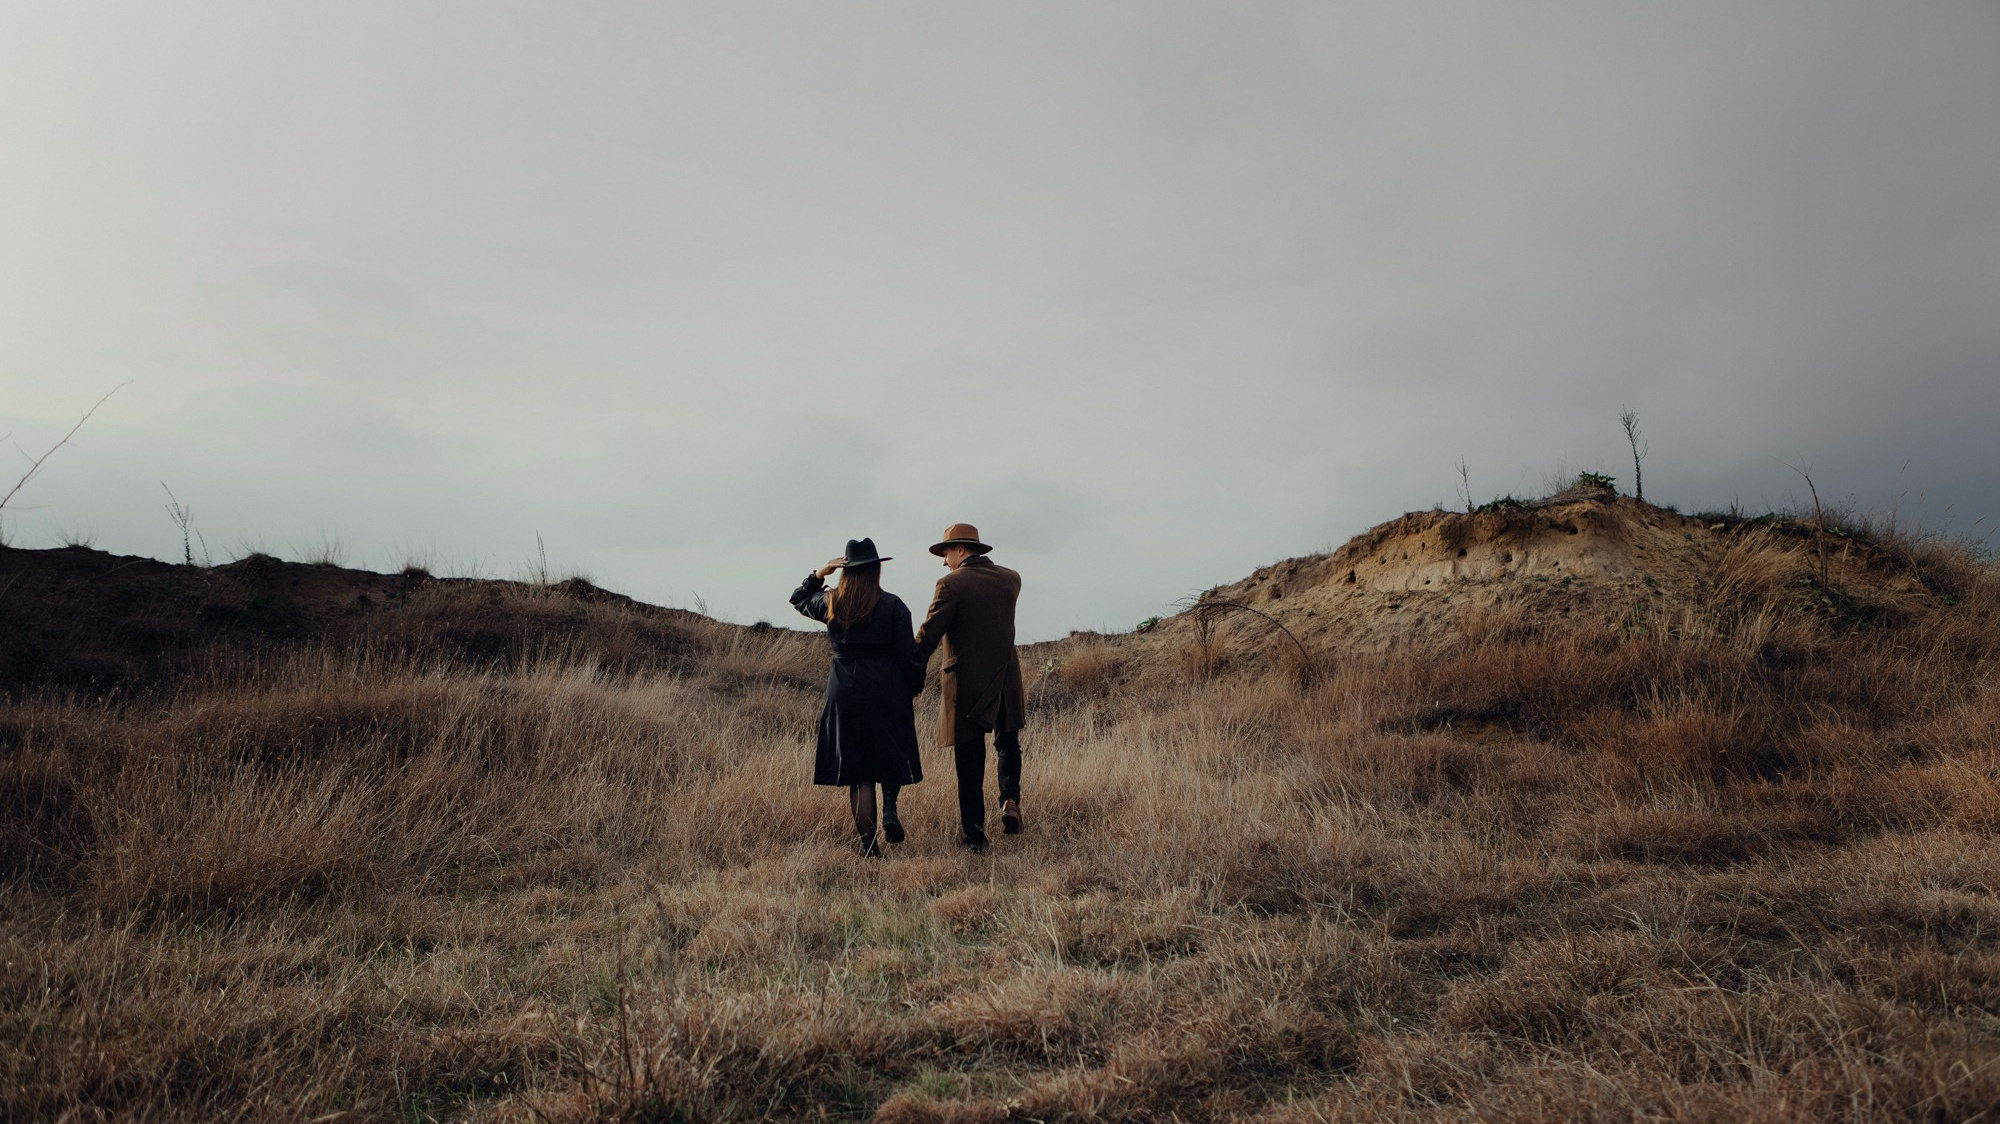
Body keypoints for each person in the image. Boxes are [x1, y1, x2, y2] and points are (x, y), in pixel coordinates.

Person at [790, 538, 926, 857]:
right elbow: (909, 654)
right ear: (877, 569)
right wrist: (913, 685)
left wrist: (818, 573)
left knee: (859, 773)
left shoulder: (830, 602)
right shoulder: (893, 605)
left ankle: (869, 849)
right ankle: (890, 810)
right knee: (890, 753)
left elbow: (798, 599)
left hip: (844, 689)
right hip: (886, 686)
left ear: (845, 571)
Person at [915, 523, 1025, 853]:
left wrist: (907, 668)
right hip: (1005, 676)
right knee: (1007, 744)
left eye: (946, 552)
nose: (943, 560)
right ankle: (1009, 800)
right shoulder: (1012, 579)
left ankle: (975, 834)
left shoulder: (951, 584)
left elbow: (929, 635)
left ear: (962, 550)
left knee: (970, 758)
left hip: (966, 681)